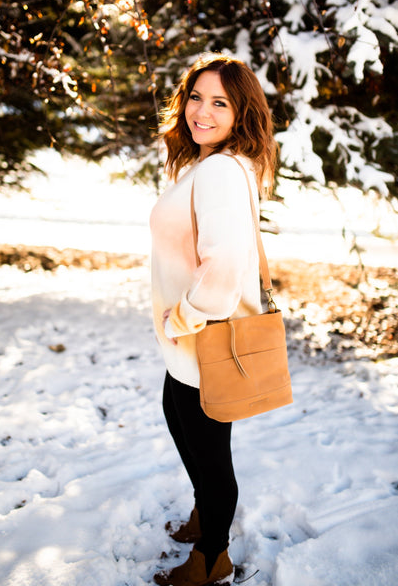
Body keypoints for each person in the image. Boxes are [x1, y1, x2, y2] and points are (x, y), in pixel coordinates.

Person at [149, 52, 277, 586]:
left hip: (200, 335)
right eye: (196, 97)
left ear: (241, 112)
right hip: (185, 340)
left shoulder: (221, 170)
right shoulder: (214, 164)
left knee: (209, 452)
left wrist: (183, 317)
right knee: (181, 422)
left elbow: (223, 267)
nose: (202, 111)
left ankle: (212, 557)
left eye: (220, 103)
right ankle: (206, 517)